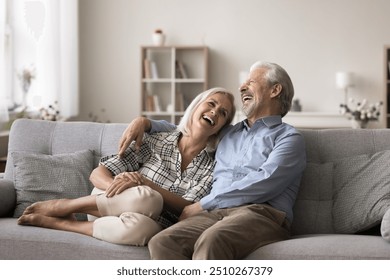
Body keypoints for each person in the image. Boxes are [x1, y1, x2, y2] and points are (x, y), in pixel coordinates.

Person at [118, 61, 307, 259]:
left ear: (275, 90)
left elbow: (266, 181)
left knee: (213, 239)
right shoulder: (228, 133)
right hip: (216, 213)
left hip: (262, 214)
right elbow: (191, 128)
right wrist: (145, 122)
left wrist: (204, 204)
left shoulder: (289, 138)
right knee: (163, 241)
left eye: (250, 82)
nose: (242, 87)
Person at [17, 87, 236, 246]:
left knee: (144, 229)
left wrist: (144, 182)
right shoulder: (157, 140)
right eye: (211, 103)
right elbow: (98, 173)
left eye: (223, 113)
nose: (215, 112)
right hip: (107, 205)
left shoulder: (214, 165)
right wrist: (118, 190)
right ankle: (66, 206)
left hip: (148, 222)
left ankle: (61, 224)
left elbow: (187, 207)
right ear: (197, 106)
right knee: (145, 198)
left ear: (221, 128)